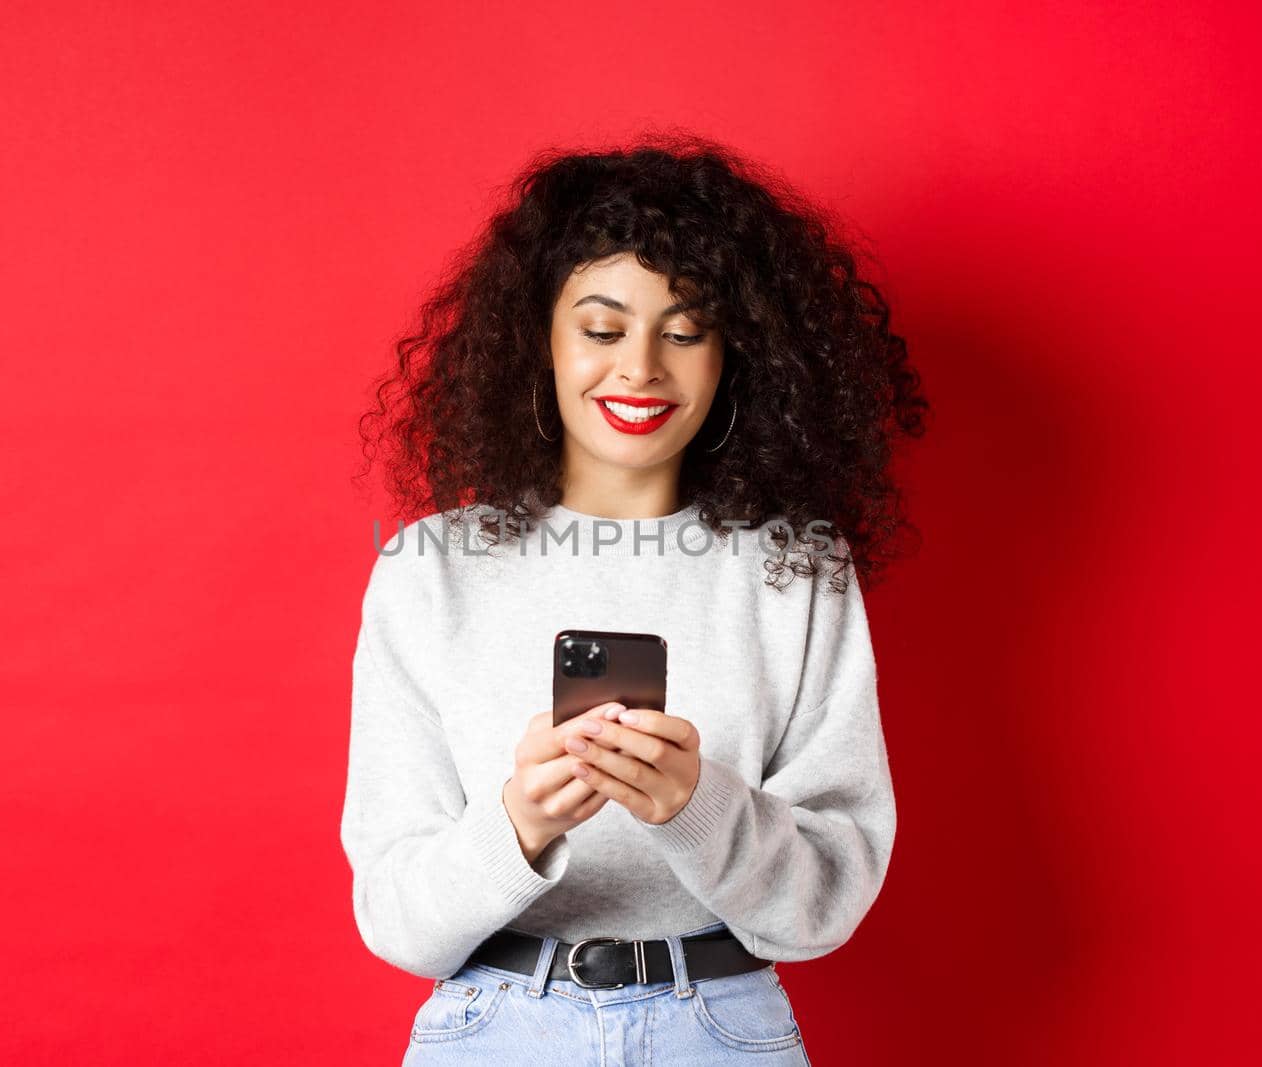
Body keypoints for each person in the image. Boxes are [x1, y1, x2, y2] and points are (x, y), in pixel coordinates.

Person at [341, 133, 928, 1064]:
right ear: (540, 340)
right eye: (604, 329)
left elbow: (825, 904)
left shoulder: (797, 571)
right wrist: (522, 823)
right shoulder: (429, 568)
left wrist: (697, 804)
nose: (641, 368)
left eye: (685, 330)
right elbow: (399, 922)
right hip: (493, 1031)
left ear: (737, 353)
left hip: (723, 1029)